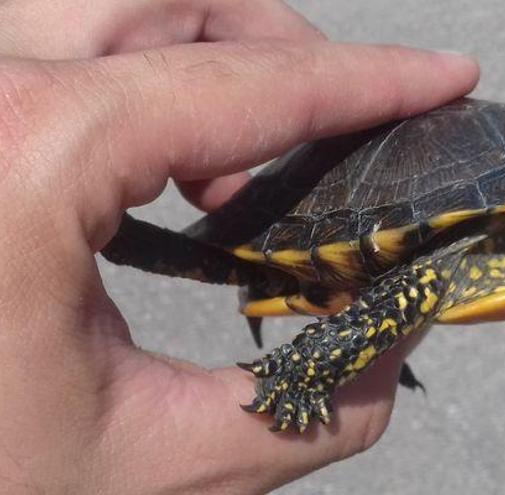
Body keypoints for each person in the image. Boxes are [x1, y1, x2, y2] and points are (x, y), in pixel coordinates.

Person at [0, 1, 480, 492]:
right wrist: (308, 374)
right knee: (400, 282)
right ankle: (297, 367)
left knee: (414, 283)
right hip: (367, 230)